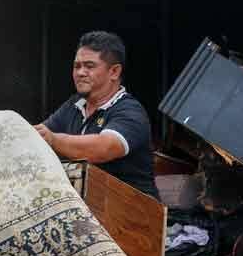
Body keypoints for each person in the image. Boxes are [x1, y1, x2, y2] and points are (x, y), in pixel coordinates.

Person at [34, 30, 160, 199]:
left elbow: (103, 148)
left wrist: (53, 139)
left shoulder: (130, 111)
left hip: (133, 211)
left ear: (114, 72)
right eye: (77, 66)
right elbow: (40, 137)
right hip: (88, 207)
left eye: (89, 66)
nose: (80, 72)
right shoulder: (74, 105)